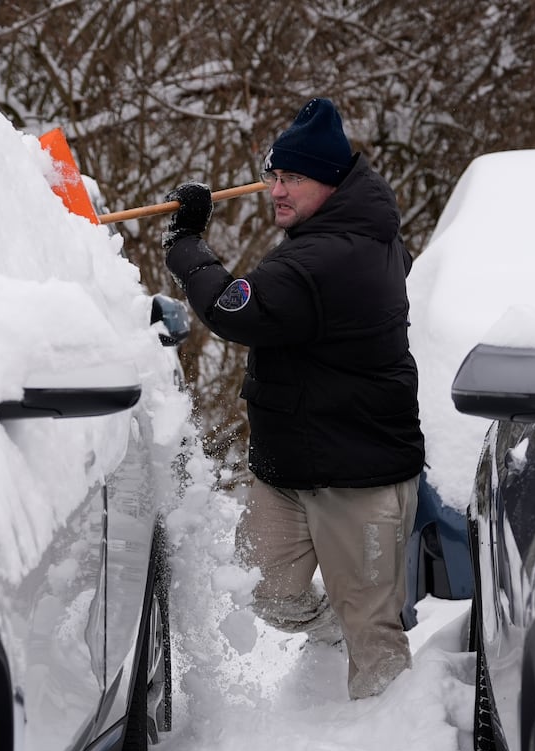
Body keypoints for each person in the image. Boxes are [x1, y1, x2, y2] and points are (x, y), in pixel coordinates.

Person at [163, 97, 425, 700]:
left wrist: (185, 244)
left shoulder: (331, 256)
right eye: (274, 176)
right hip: (291, 467)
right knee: (265, 591)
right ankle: (340, 624)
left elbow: (236, 308)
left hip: (360, 476)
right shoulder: (342, 233)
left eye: (294, 178)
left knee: (375, 640)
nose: (277, 191)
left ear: (331, 183)